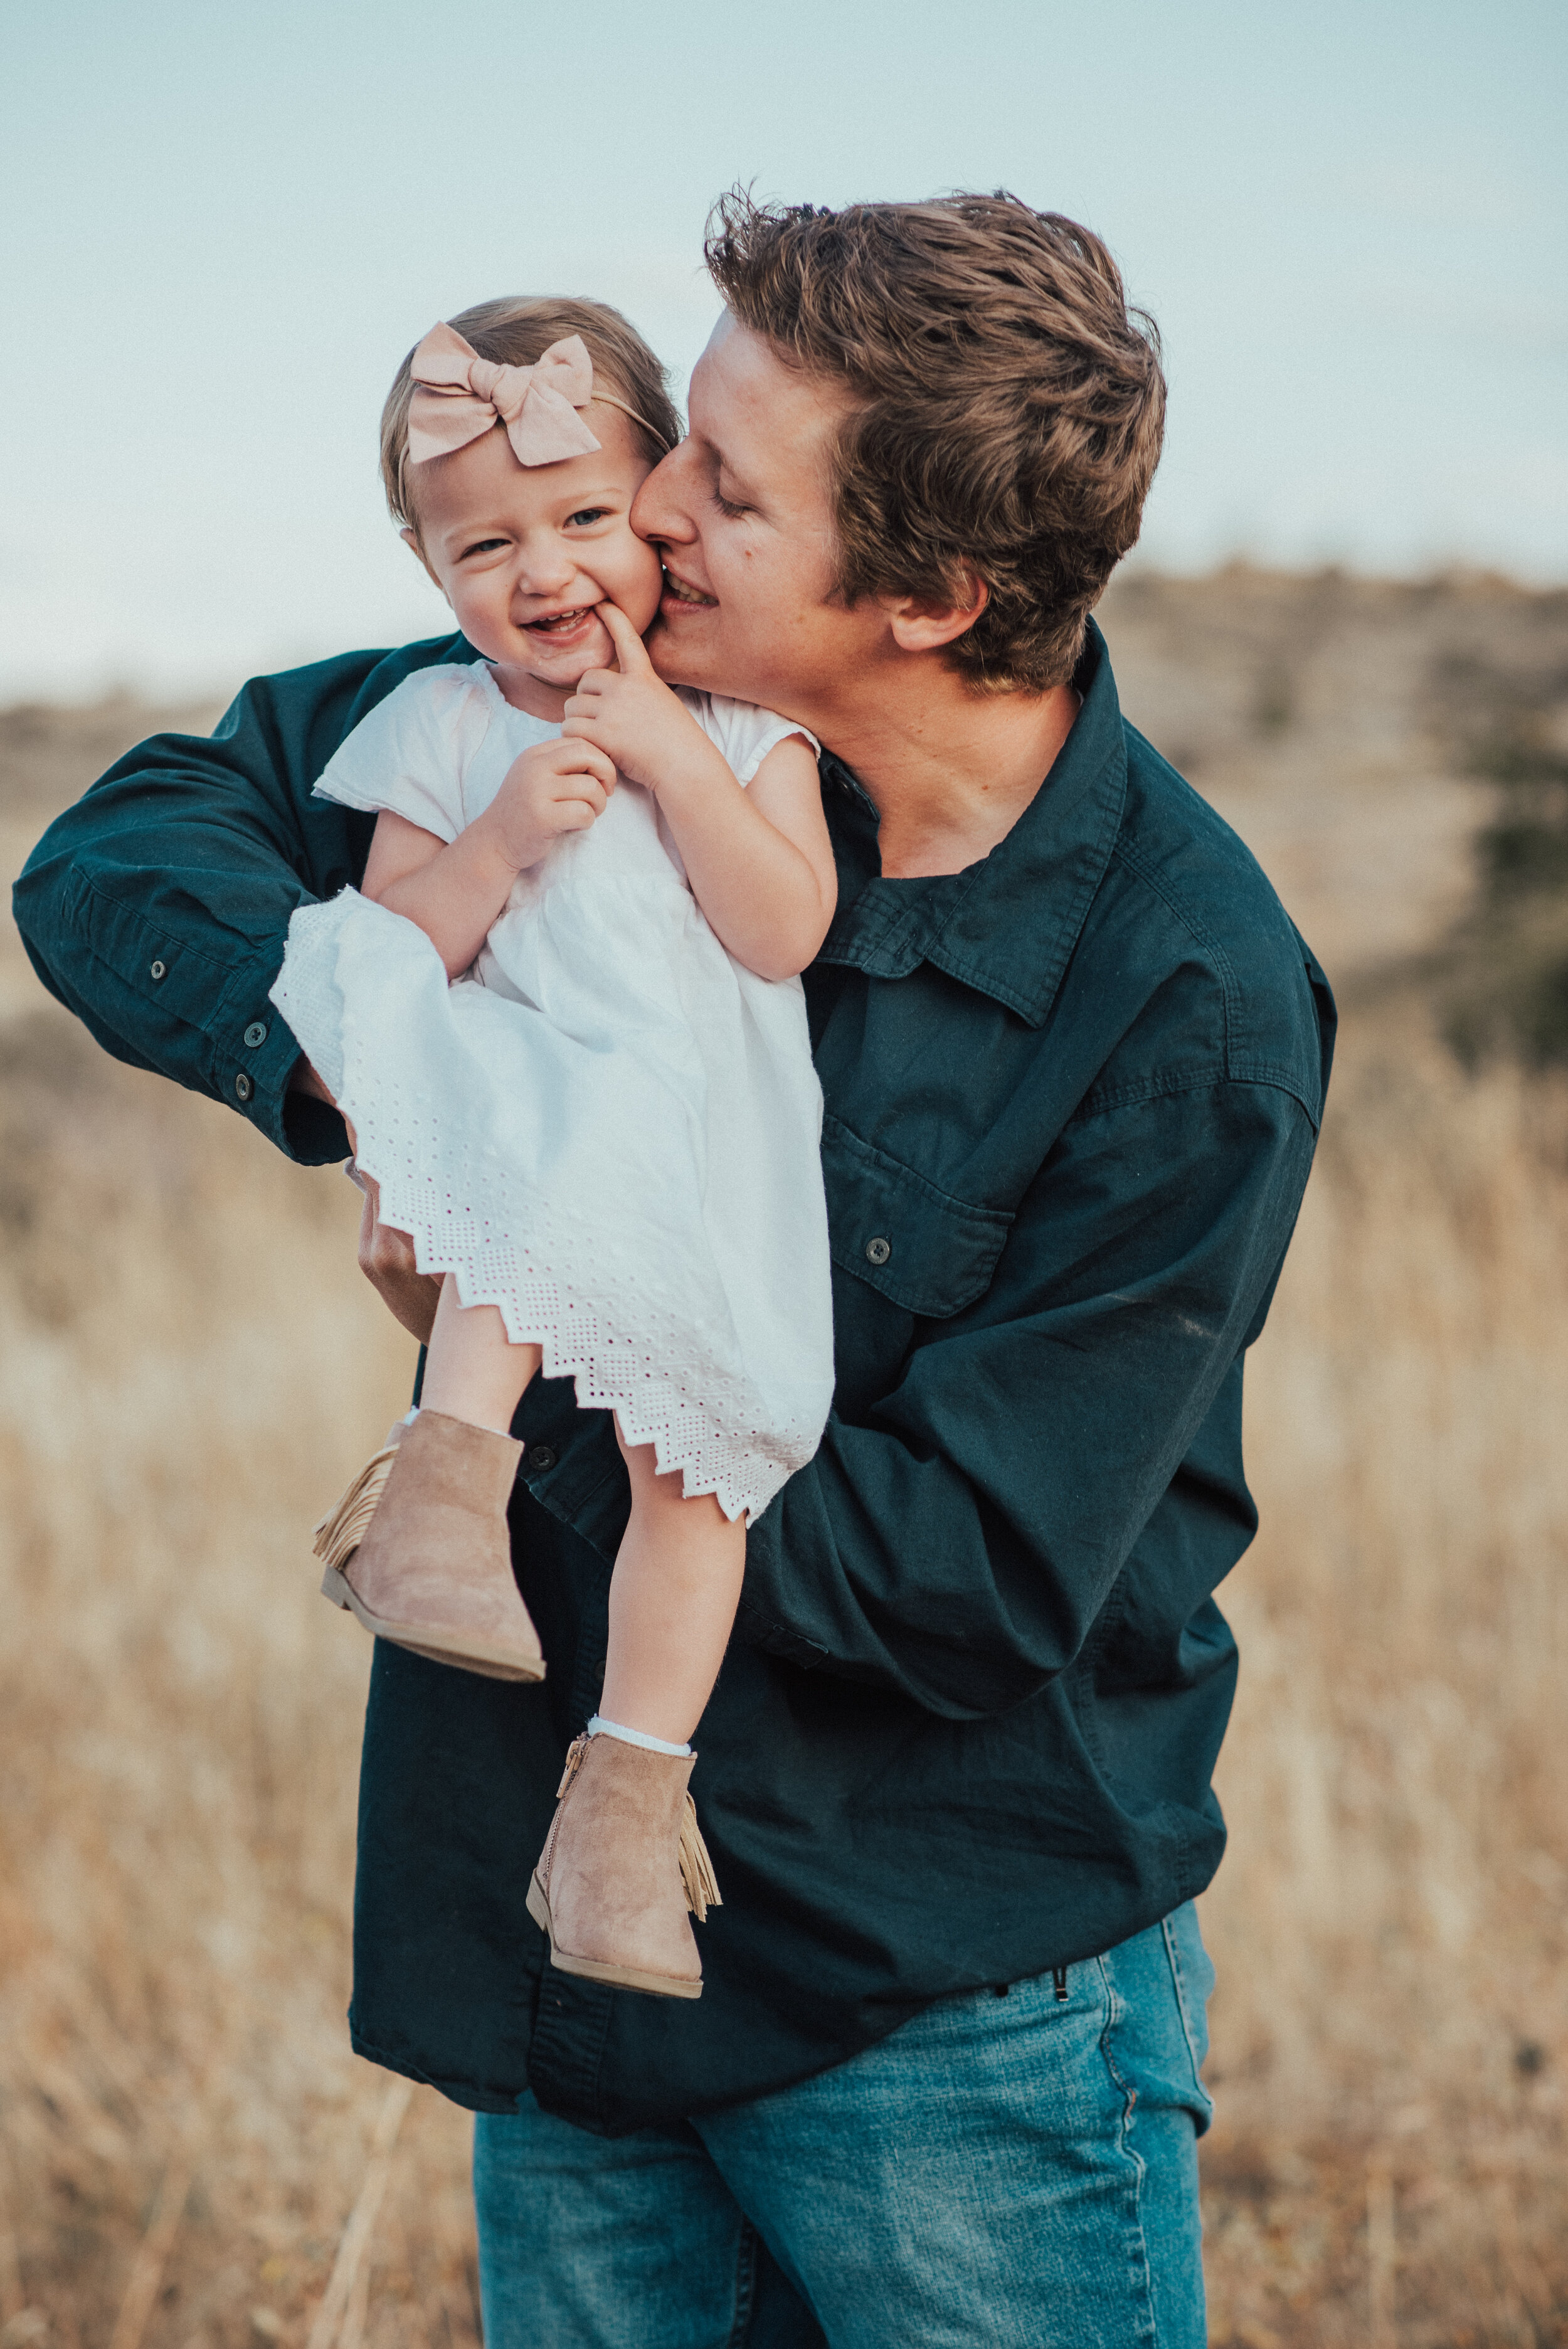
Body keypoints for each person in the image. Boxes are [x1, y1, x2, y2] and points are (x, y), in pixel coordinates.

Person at [15, 192, 1335, 2346]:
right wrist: (386, 1075)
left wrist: (525, 1368)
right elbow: (115, 855)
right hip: (560, 1975)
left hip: (933, 2018)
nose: (638, 510)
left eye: (722, 484)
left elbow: (969, 1566)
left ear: (922, 595)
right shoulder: (541, 667)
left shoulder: (1184, 993)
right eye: (674, 445)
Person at [274, 297, 836, 2004]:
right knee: (545, 1137)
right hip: (531, 1126)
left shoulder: (740, 731)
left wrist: (671, 752)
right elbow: (391, 957)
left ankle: (617, 1827)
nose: (543, 572)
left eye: (586, 518)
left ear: (657, 500)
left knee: (707, 1477)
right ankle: (438, 1503)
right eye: (482, 544)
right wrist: (502, 841)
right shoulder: (439, 732)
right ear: (424, 562)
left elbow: (783, 926)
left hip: (713, 1172)